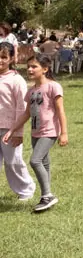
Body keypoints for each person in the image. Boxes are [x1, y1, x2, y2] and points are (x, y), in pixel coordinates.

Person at [2, 54, 67, 212]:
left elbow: (60, 111)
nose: (29, 69)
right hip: (35, 132)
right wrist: (12, 130)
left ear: (45, 69)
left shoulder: (53, 87)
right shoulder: (32, 91)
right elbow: (26, 113)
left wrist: (64, 133)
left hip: (49, 131)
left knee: (35, 161)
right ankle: (46, 196)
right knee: (44, 163)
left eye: (34, 67)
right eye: (28, 67)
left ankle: (47, 196)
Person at [0, 42, 35, 200]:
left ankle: (26, 190)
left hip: (9, 129)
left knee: (13, 162)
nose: (0, 60)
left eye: (3, 57)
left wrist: (17, 132)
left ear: (11, 58)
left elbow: (22, 108)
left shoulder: (16, 80)